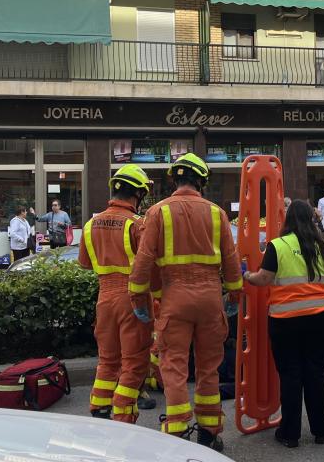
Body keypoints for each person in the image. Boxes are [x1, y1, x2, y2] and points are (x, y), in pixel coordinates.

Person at [129, 153, 242, 452]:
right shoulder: (217, 213)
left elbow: (143, 263)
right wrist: (234, 294)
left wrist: (139, 299)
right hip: (209, 300)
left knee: (174, 366)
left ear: (174, 180)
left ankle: (177, 433)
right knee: (209, 368)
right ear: (202, 182)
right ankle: (209, 432)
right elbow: (232, 261)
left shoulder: (157, 212)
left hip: (174, 298)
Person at [245, 200, 324, 448]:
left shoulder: (278, 245)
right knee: (317, 374)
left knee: (291, 376)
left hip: (286, 321)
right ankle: (321, 431)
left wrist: (247, 275)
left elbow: (264, 279)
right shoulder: (323, 246)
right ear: (311, 219)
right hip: (320, 318)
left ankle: (290, 433)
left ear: (288, 220)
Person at [82, 165, 154, 423]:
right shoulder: (137, 225)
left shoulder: (91, 224)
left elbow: (85, 263)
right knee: (134, 363)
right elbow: (148, 266)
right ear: (137, 194)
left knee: (108, 361)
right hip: (132, 301)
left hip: (104, 300)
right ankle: (123, 419)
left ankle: (99, 409)